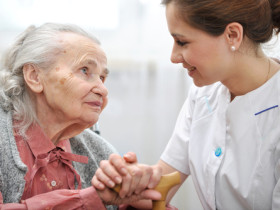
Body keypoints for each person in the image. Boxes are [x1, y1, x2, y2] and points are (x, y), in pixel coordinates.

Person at [93, 0, 280, 209]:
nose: (173, 57)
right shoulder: (202, 95)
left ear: (233, 35)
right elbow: (162, 187)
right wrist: (125, 184)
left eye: (182, 42)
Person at [0, 22, 162, 209]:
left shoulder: (100, 151)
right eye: (85, 70)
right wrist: (92, 199)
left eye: (102, 77)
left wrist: (138, 197)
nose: (103, 89)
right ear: (35, 77)